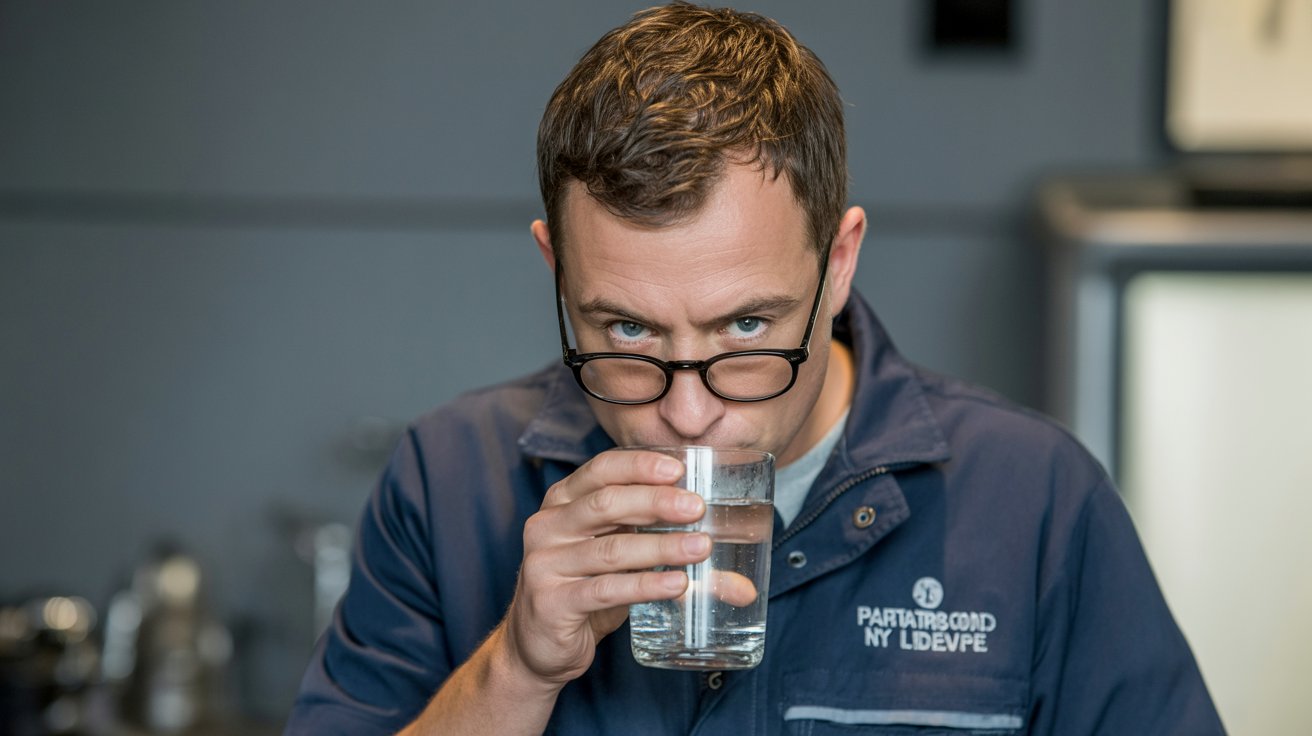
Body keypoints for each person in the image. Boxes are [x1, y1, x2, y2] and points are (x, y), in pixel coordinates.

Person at [285, 3, 1225, 734]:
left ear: (839, 260)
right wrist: (517, 672)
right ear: (554, 268)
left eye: (745, 325)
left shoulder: (1034, 504)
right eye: (628, 332)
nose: (688, 414)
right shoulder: (451, 482)